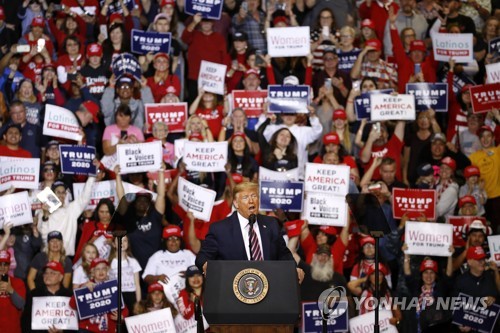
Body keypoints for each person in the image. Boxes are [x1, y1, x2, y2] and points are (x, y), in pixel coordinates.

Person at [195, 182, 304, 283]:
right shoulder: (220, 229)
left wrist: (294, 268)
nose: (251, 201)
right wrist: (205, 264)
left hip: (269, 287)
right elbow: (202, 257)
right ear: (236, 203)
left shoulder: (271, 224)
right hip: (232, 290)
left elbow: (284, 254)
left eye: (254, 196)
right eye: (245, 197)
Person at [23, 261, 72, 333]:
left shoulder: (69, 296)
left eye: (52, 273)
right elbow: (26, 321)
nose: (48, 276)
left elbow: (74, 324)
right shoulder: (34, 295)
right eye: (46, 273)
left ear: (61, 277)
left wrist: (62, 331)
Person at [469, 126, 500, 233]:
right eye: (482, 136)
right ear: (479, 139)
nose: (485, 139)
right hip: (480, 197)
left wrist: (498, 117)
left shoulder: (497, 151)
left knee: (495, 229)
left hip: (497, 196)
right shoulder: (473, 157)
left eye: (488, 136)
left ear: (493, 138)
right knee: (481, 230)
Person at [0, 250, 25, 333]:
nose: (2, 267)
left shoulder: (18, 282)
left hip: (13, 329)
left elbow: (21, 305)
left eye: (5, 264)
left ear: (9, 266)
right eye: (0, 264)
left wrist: (11, 290)